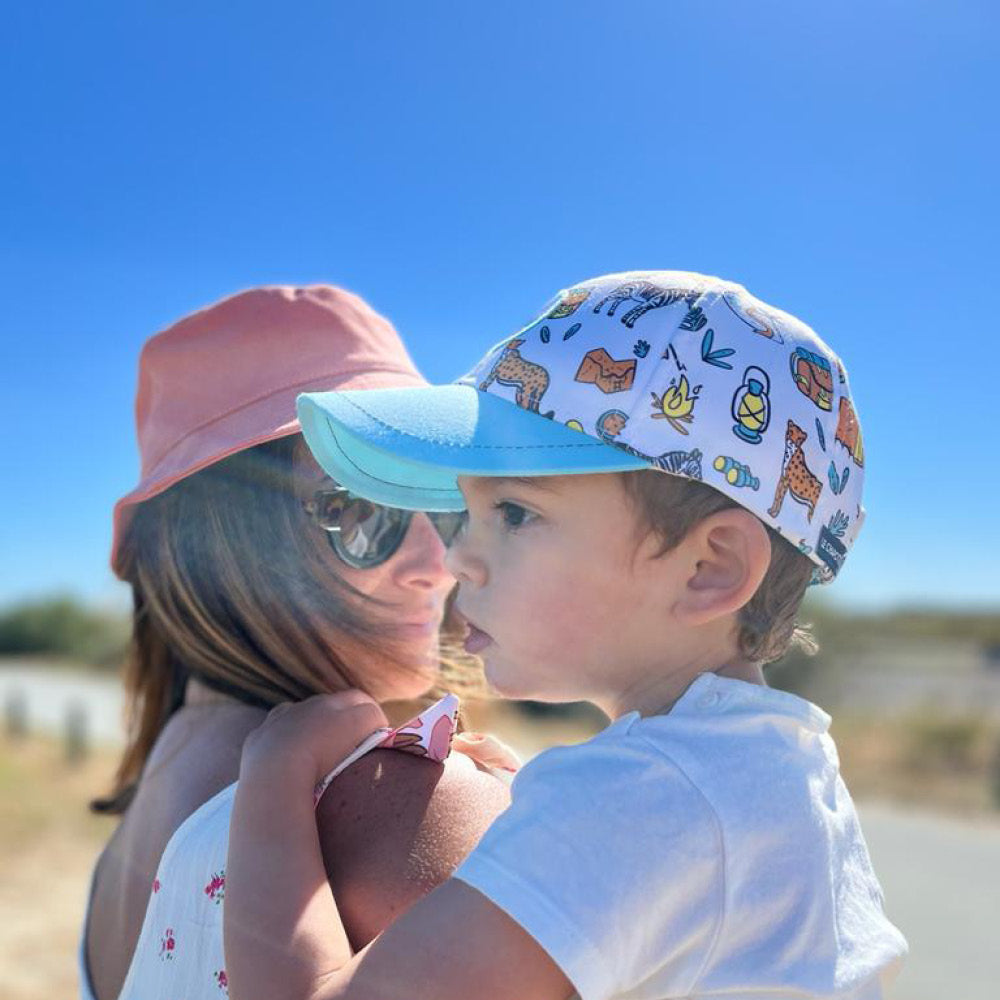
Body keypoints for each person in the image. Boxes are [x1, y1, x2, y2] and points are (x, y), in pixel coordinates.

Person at [225, 270, 908, 1000]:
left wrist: (275, 775)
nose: (458, 557)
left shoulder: (636, 800)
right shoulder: (777, 772)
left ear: (711, 567)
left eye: (516, 513)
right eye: (468, 512)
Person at [81, 285, 512, 1000]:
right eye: (365, 511)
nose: (442, 563)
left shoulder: (150, 795)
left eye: (442, 506)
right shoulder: (407, 815)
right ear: (221, 546)